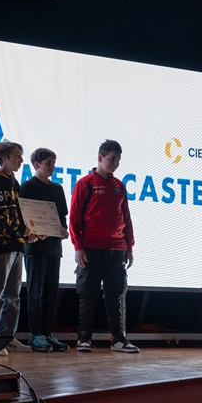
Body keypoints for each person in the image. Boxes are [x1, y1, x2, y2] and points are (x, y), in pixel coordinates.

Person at [69, 139, 139, 353]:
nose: (115, 163)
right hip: (91, 248)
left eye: (118, 159)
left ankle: (118, 339)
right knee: (88, 294)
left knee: (116, 294)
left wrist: (129, 247)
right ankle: (84, 338)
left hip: (117, 249)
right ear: (100, 158)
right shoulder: (85, 183)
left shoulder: (119, 185)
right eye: (111, 159)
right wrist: (78, 246)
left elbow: (126, 218)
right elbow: (74, 218)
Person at [20, 148, 70, 353]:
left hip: (53, 247)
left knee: (51, 292)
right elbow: (23, 218)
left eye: (54, 162)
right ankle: (36, 334)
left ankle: (48, 333)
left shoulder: (57, 189)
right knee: (35, 291)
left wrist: (63, 231)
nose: (52, 166)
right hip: (34, 247)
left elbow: (61, 218)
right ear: (36, 164)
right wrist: (33, 231)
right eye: (48, 162)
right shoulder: (27, 187)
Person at [0, 141, 32, 353]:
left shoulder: (15, 182)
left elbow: (19, 212)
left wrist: (27, 230)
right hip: (1, 244)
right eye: (17, 155)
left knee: (13, 295)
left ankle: (7, 336)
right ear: (4, 157)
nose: (21, 160)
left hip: (18, 245)